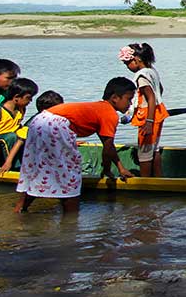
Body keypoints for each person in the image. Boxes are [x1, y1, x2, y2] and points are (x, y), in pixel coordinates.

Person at [15, 77, 136, 213]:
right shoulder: (109, 114)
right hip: (55, 124)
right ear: (115, 98)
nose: (130, 104)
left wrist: (121, 168)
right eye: (129, 99)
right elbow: (107, 148)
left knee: (40, 167)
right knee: (71, 172)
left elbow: (107, 145)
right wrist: (107, 170)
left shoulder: (100, 108)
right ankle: (70, 218)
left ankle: (20, 208)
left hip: (39, 120)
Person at [120, 43, 168, 177]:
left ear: (136, 59)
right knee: (154, 149)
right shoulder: (152, 71)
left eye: (127, 63)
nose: (128, 67)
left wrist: (149, 121)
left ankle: (145, 181)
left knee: (144, 152)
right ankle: (158, 179)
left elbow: (151, 97)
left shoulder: (142, 76)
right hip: (158, 113)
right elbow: (160, 91)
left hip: (148, 116)